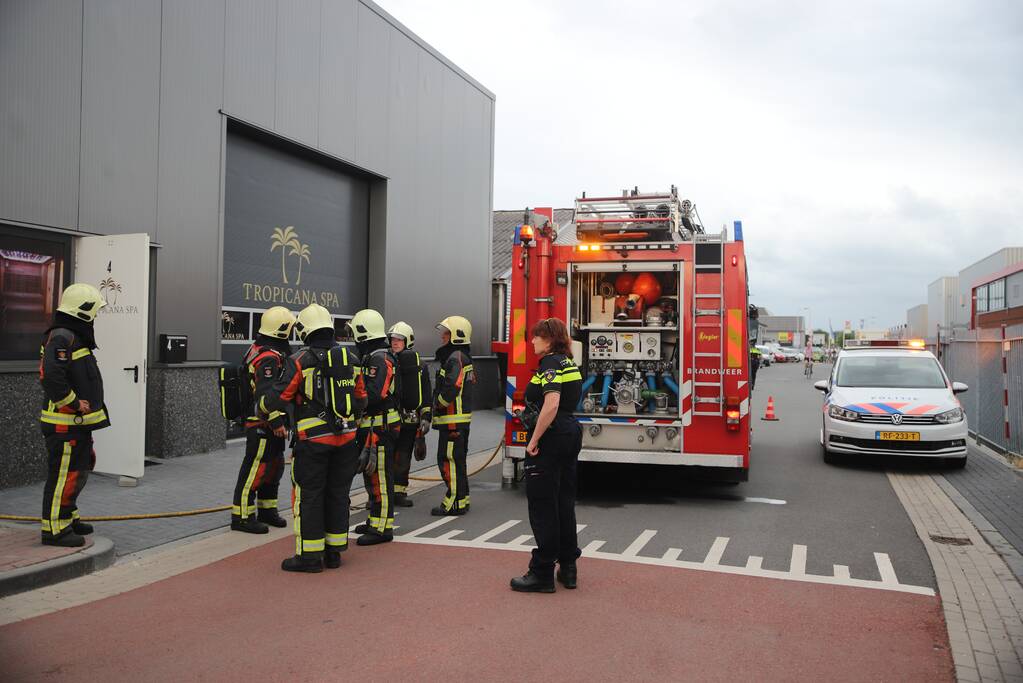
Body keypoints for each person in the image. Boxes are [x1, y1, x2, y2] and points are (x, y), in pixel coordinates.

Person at [267, 304, 365, 572]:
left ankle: (309, 557)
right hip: (346, 440)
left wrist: (264, 406)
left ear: (305, 329)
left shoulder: (300, 360)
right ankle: (334, 552)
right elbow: (361, 399)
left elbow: (280, 396)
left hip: (313, 442)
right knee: (338, 494)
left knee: (309, 496)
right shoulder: (352, 359)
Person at [510, 318, 583, 593]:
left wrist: (534, 440)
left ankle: (541, 573)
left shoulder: (550, 364)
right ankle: (569, 568)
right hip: (569, 432)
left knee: (542, 505)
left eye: (536, 336)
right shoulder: (568, 363)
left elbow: (551, 404)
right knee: (564, 502)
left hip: (551, 436)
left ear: (549, 339)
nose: (532, 341)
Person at [38, 283, 111, 547]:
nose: (96, 315)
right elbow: (52, 377)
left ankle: (68, 518)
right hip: (64, 425)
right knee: (63, 475)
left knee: (77, 472)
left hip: (75, 425)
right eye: (94, 310)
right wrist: (73, 404)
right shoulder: (62, 336)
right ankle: (55, 530)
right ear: (83, 310)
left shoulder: (71, 335)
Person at [231, 306, 295, 534]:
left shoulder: (260, 350)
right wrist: (277, 421)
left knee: (273, 467)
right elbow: (265, 392)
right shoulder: (268, 357)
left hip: (266, 422)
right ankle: (242, 516)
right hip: (262, 423)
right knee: (255, 469)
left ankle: (267, 510)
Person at [349, 309, 402, 545]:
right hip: (373, 427)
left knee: (380, 477)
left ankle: (382, 528)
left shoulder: (379, 359)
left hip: (380, 429)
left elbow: (374, 394)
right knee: (373, 476)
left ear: (363, 332)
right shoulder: (374, 357)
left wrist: (351, 400)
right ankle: (375, 520)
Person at [430, 316, 475, 517]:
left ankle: (454, 503)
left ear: (456, 336)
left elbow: (452, 386)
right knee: (458, 461)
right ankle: (461, 499)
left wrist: (438, 403)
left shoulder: (455, 357)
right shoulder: (462, 356)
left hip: (452, 421)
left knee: (449, 461)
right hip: (459, 420)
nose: (442, 336)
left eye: (446, 333)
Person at [388, 322, 432, 508]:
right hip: (389, 418)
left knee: (404, 453)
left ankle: (399, 492)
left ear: (408, 341)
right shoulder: (385, 361)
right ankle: (384, 492)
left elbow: (426, 393)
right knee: (387, 455)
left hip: (410, 419)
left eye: (399, 339)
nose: (395, 342)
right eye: (393, 339)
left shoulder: (419, 366)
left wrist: (426, 417)